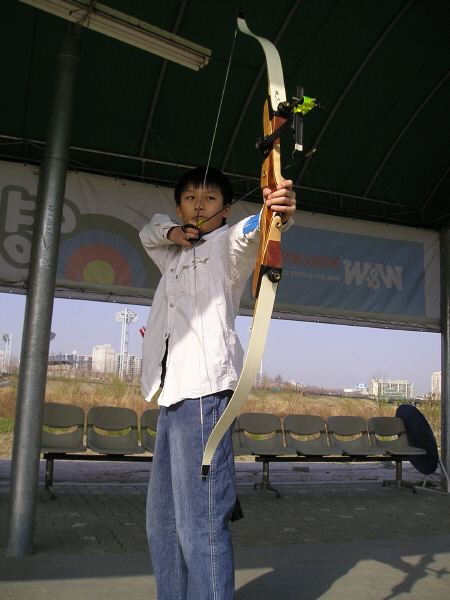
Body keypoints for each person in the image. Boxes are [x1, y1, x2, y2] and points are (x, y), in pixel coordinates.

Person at [139, 166, 296, 600]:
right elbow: (149, 232)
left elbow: (254, 231)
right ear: (179, 209)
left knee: (201, 522)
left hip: (205, 396)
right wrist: (174, 234)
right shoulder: (172, 252)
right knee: (163, 522)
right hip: (172, 396)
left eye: (210, 199)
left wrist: (276, 211)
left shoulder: (227, 247)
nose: (199, 206)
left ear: (224, 210)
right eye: (190, 198)